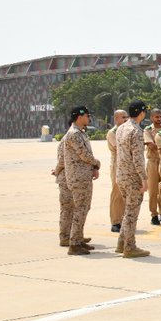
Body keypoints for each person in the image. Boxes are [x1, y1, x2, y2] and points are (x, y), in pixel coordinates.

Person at [60, 105, 100, 255]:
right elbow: (84, 154)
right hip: (78, 178)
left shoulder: (80, 133)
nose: (89, 118)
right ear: (80, 116)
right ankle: (74, 244)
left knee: (84, 208)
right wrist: (96, 163)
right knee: (80, 209)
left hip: (83, 176)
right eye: (87, 115)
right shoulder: (74, 134)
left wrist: (93, 167)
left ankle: (78, 239)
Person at [113, 100, 151, 258]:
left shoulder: (121, 128)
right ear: (141, 113)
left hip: (121, 175)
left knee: (128, 211)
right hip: (132, 177)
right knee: (131, 213)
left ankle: (122, 243)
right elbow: (138, 158)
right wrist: (144, 179)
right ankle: (130, 247)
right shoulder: (136, 131)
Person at [143, 108, 161, 225]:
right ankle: (154, 214)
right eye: (157, 117)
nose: (159, 119)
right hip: (153, 162)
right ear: (151, 118)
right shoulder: (147, 130)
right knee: (153, 190)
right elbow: (151, 145)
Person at [107, 109, 127, 233]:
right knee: (117, 193)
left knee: (125, 194)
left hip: (127, 164)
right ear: (116, 119)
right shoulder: (112, 132)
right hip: (117, 164)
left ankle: (124, 220)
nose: (125, 119)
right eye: (123, 117)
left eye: (126, 117)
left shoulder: (127, 131)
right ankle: (115, 221)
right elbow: (119, 148)